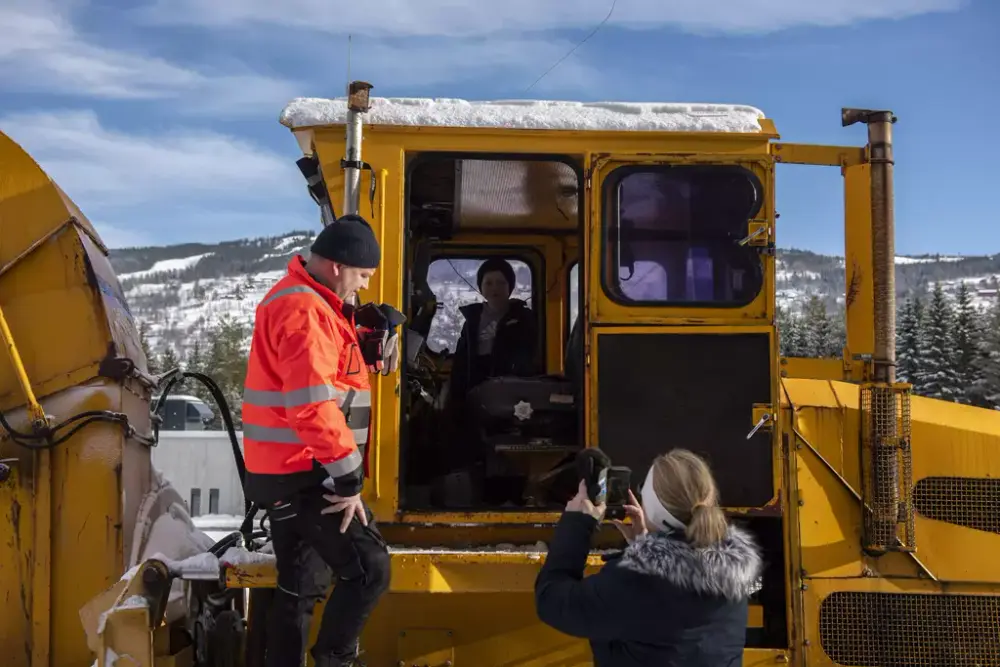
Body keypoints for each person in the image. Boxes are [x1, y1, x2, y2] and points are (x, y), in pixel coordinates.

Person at [241, 214, 393, 667]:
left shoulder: (310, 303)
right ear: (337, 266)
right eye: (362, 275)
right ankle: (335, 658)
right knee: (370, 569)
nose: (362, 286)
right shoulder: (305, 310)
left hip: (291, 469)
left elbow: (330, 378)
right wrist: (349, 479)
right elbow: (310, 405)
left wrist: (364, 339)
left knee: (298, 588)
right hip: (306, 470)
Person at [534, 449, 764, 667]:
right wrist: (646, 546)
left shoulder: (635, 580)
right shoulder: (733, 571)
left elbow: (551, 601)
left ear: (651, 508)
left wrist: (577, 523)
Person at [447, 257, 538, 403]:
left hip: (513, 390)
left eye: (501, 283)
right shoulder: (472, 319)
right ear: (481, 287)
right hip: (475, 387)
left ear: (510, 287)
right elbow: (461, 362)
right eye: (488, 283)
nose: (494, 288)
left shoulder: (523, 318)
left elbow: (530, 356)